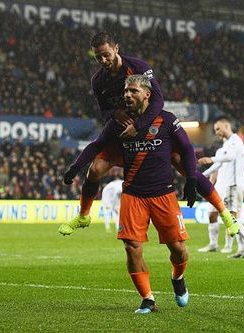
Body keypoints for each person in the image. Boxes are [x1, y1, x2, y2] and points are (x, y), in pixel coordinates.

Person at [59, 31, 239, 238]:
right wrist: (115, 114)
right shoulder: (98, 80)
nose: (103, 60)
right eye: (98, 57)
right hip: (125, 126)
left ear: (116, 48)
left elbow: (157, 101)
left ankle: (225, 214)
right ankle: (83, 216)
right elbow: (104, 112)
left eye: (106, 54)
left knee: (186, 166)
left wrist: (140, 125)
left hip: (150, 125)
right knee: (95, 169)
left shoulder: (139, 68)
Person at [92, 75, 197, 313]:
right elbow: (98, 147)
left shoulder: (167, 120)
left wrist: (191, 179)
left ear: (147, 94)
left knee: (178, 249)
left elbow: (188, 148)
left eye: (133, 91)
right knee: (131, 247)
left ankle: (178, 277)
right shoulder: (119, 123)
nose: (127, 95)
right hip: (133, 194)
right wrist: (80, 168)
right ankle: (147, 298)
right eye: (125, 91)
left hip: (163, 194)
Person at [198, 117, 244, 258]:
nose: (217, 132)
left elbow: (229, 158)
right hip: (228, 185)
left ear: (226, 126)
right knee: (231, 218)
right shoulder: (227, 144)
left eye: (218, 128)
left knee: (231, 217)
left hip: (234, 185)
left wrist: (211, 158)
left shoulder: (236, 141)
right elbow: (219, 164)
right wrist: (200, 175)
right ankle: (243, 248)